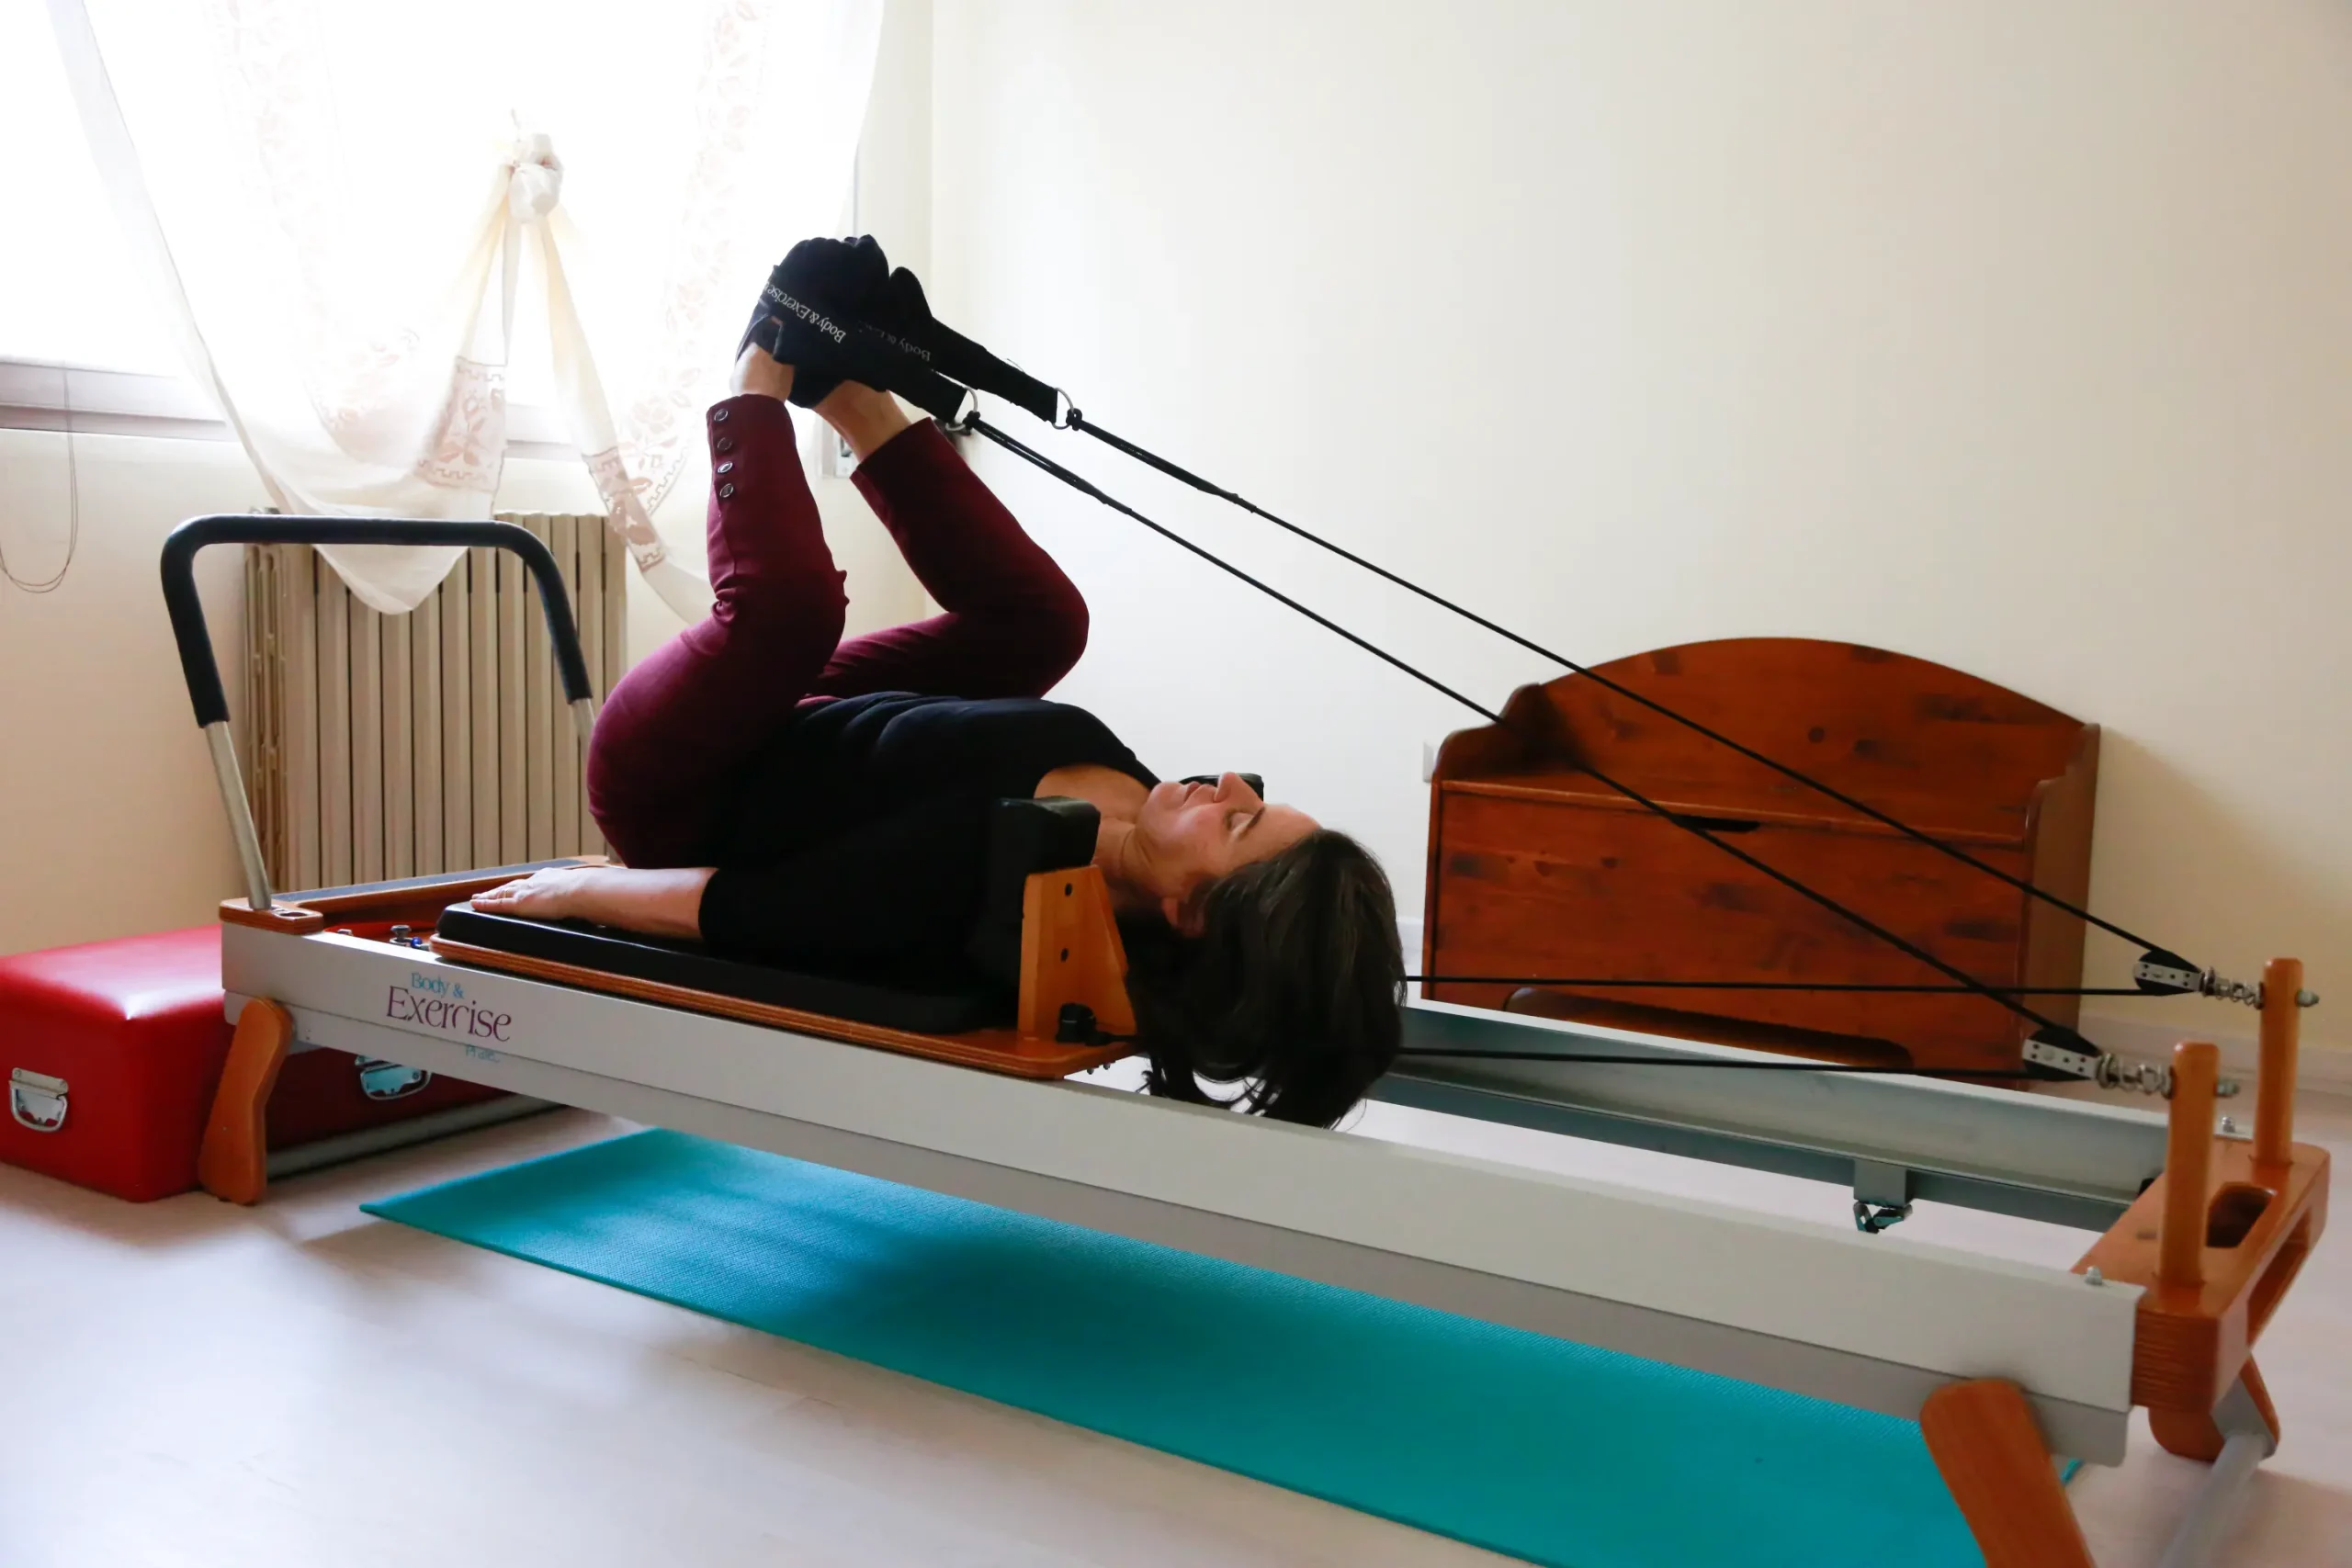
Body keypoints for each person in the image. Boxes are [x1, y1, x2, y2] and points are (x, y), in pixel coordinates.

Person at [474, 241, 1404, 1126]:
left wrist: (571, 893)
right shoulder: (1141, 807)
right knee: (1047, 626)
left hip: (685, 780)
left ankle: (763, 362)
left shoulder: (986, 894)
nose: (1229, 783)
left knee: (792, 613)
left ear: (1189, 912)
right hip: (819, 719)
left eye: (1237, 822)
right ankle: (839, 382)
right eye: (1256, 798)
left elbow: (734, 910)